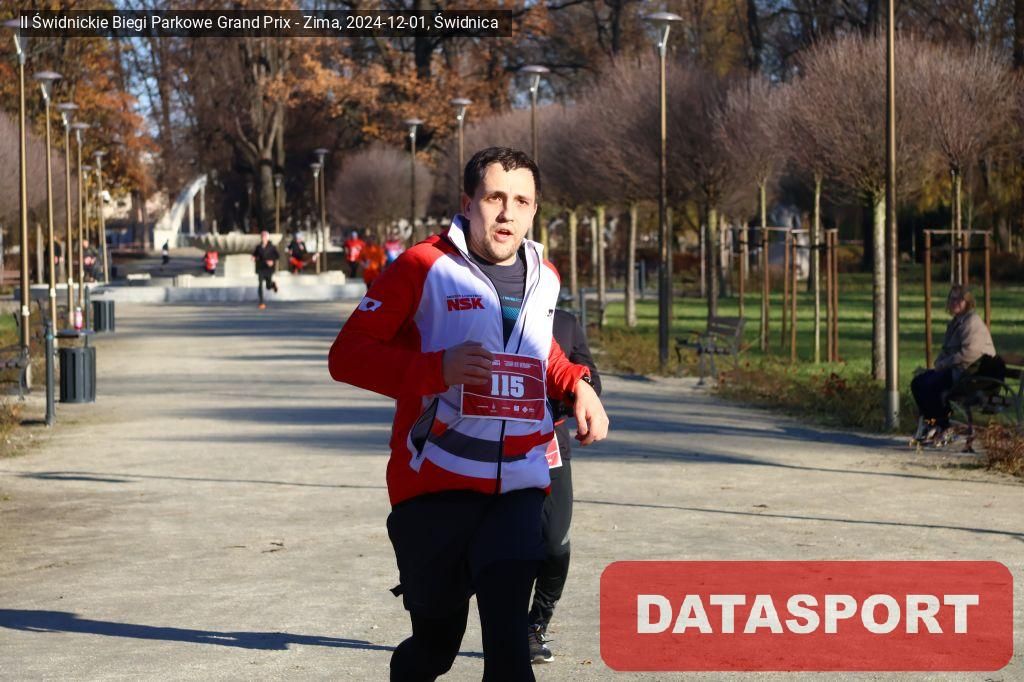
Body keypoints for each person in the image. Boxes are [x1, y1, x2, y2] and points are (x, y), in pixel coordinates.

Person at [329, 146, 609, 681]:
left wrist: (577, 384)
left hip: (519, 486)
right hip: (435, 488)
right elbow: (347, 356)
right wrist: (437, 368)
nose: (507, 213)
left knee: (509, 653)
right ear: (467, 202)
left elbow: (536, 347)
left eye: (521, 201)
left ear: (534, 210)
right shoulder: (423, 266)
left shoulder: (545, 274)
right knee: (435, 647)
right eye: (494, 197)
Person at [527, 308, 601, 664]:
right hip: (490, 446)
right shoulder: (490, 312)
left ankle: (535, 624)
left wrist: (578, 395)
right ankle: (507, 629)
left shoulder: (566, 323)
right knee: (505, 545)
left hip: (551, 445)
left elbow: (592, 381)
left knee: (556, 544)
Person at [910, 285, 997, 444]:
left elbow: (971, 353)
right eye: (951, 298)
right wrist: (939, 363)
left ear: (968, 302)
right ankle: (935, 424)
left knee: (930, 385)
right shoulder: (956, 323)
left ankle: (943, 426)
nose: (954, 302)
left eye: (959, 299)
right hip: (957, 372)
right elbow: (947, 350)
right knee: (918, 383)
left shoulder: (972, 322)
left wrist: (944, 364)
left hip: (972, 375)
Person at [251, 231, 279, 310]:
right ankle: (261, 302)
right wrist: (253, 257)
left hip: (268, 268)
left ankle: (273, 284)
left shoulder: (272, 247)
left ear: (267, 238)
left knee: (268, 286)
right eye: (262, 236)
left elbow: (277, 256)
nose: (263, 238)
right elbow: (255, 254)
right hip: (260, 267)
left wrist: (272, 261)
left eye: (265, 237)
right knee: (260, 284)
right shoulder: (258, 247)